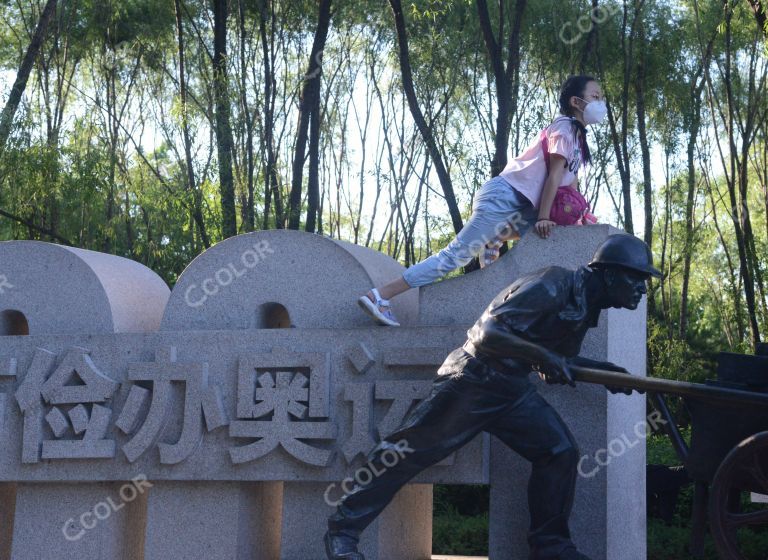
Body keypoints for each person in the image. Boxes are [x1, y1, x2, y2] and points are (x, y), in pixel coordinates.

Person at [325, 233, 662, 560]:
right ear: (609, 274)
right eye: (636, 279)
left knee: (558, 452)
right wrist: (546, 358)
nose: (641, 288)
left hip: (511, 389)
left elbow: (555, 361)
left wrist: (604, 372)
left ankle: (550, 547)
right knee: (405, 452)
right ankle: (342, 531)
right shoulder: (552, 284)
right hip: (472, 379)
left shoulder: (587, 306)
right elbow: (488, 333)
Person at [358, 75, 607, 327]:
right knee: (456, 256)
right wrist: (543, 217)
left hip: (522, 205)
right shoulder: (563, 128)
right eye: (595, 97)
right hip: (504, 196)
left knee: (547, 234)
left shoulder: (578, 139)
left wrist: (581, 217)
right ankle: (379, 295)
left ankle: (496, 236)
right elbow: (554, 176)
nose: (601, 103)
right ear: (576, 101)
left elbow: (569, 188)